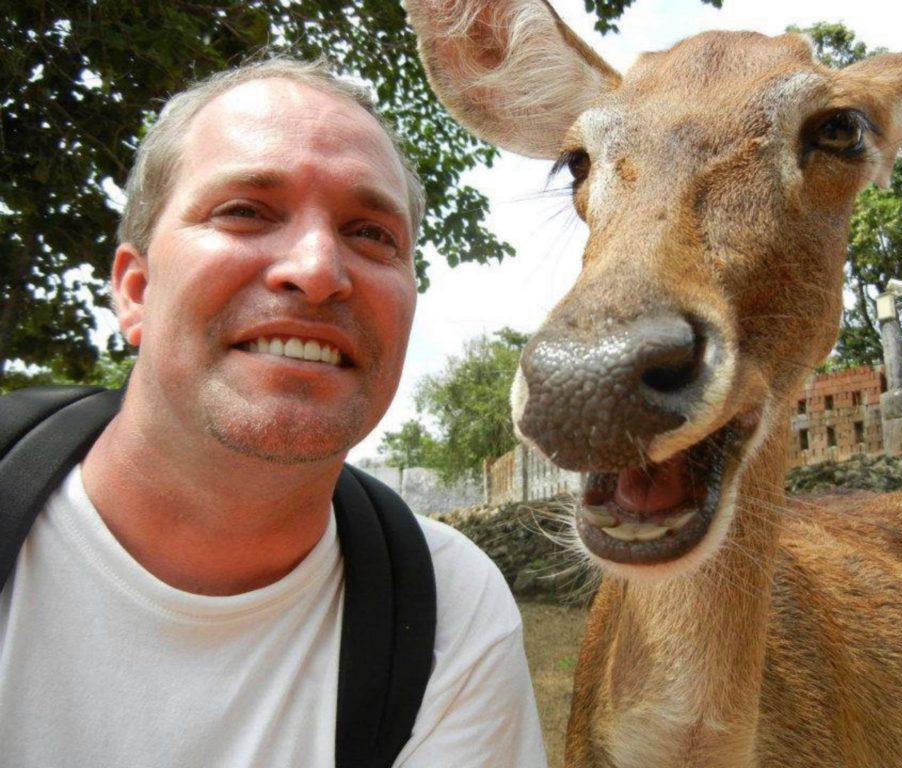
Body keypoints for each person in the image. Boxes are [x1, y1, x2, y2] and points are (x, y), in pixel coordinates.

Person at [0, 58, 546, 767]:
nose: (318, 270)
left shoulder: (447, 611)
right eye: (245, 212)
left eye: (371, 233)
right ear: (135, 290)